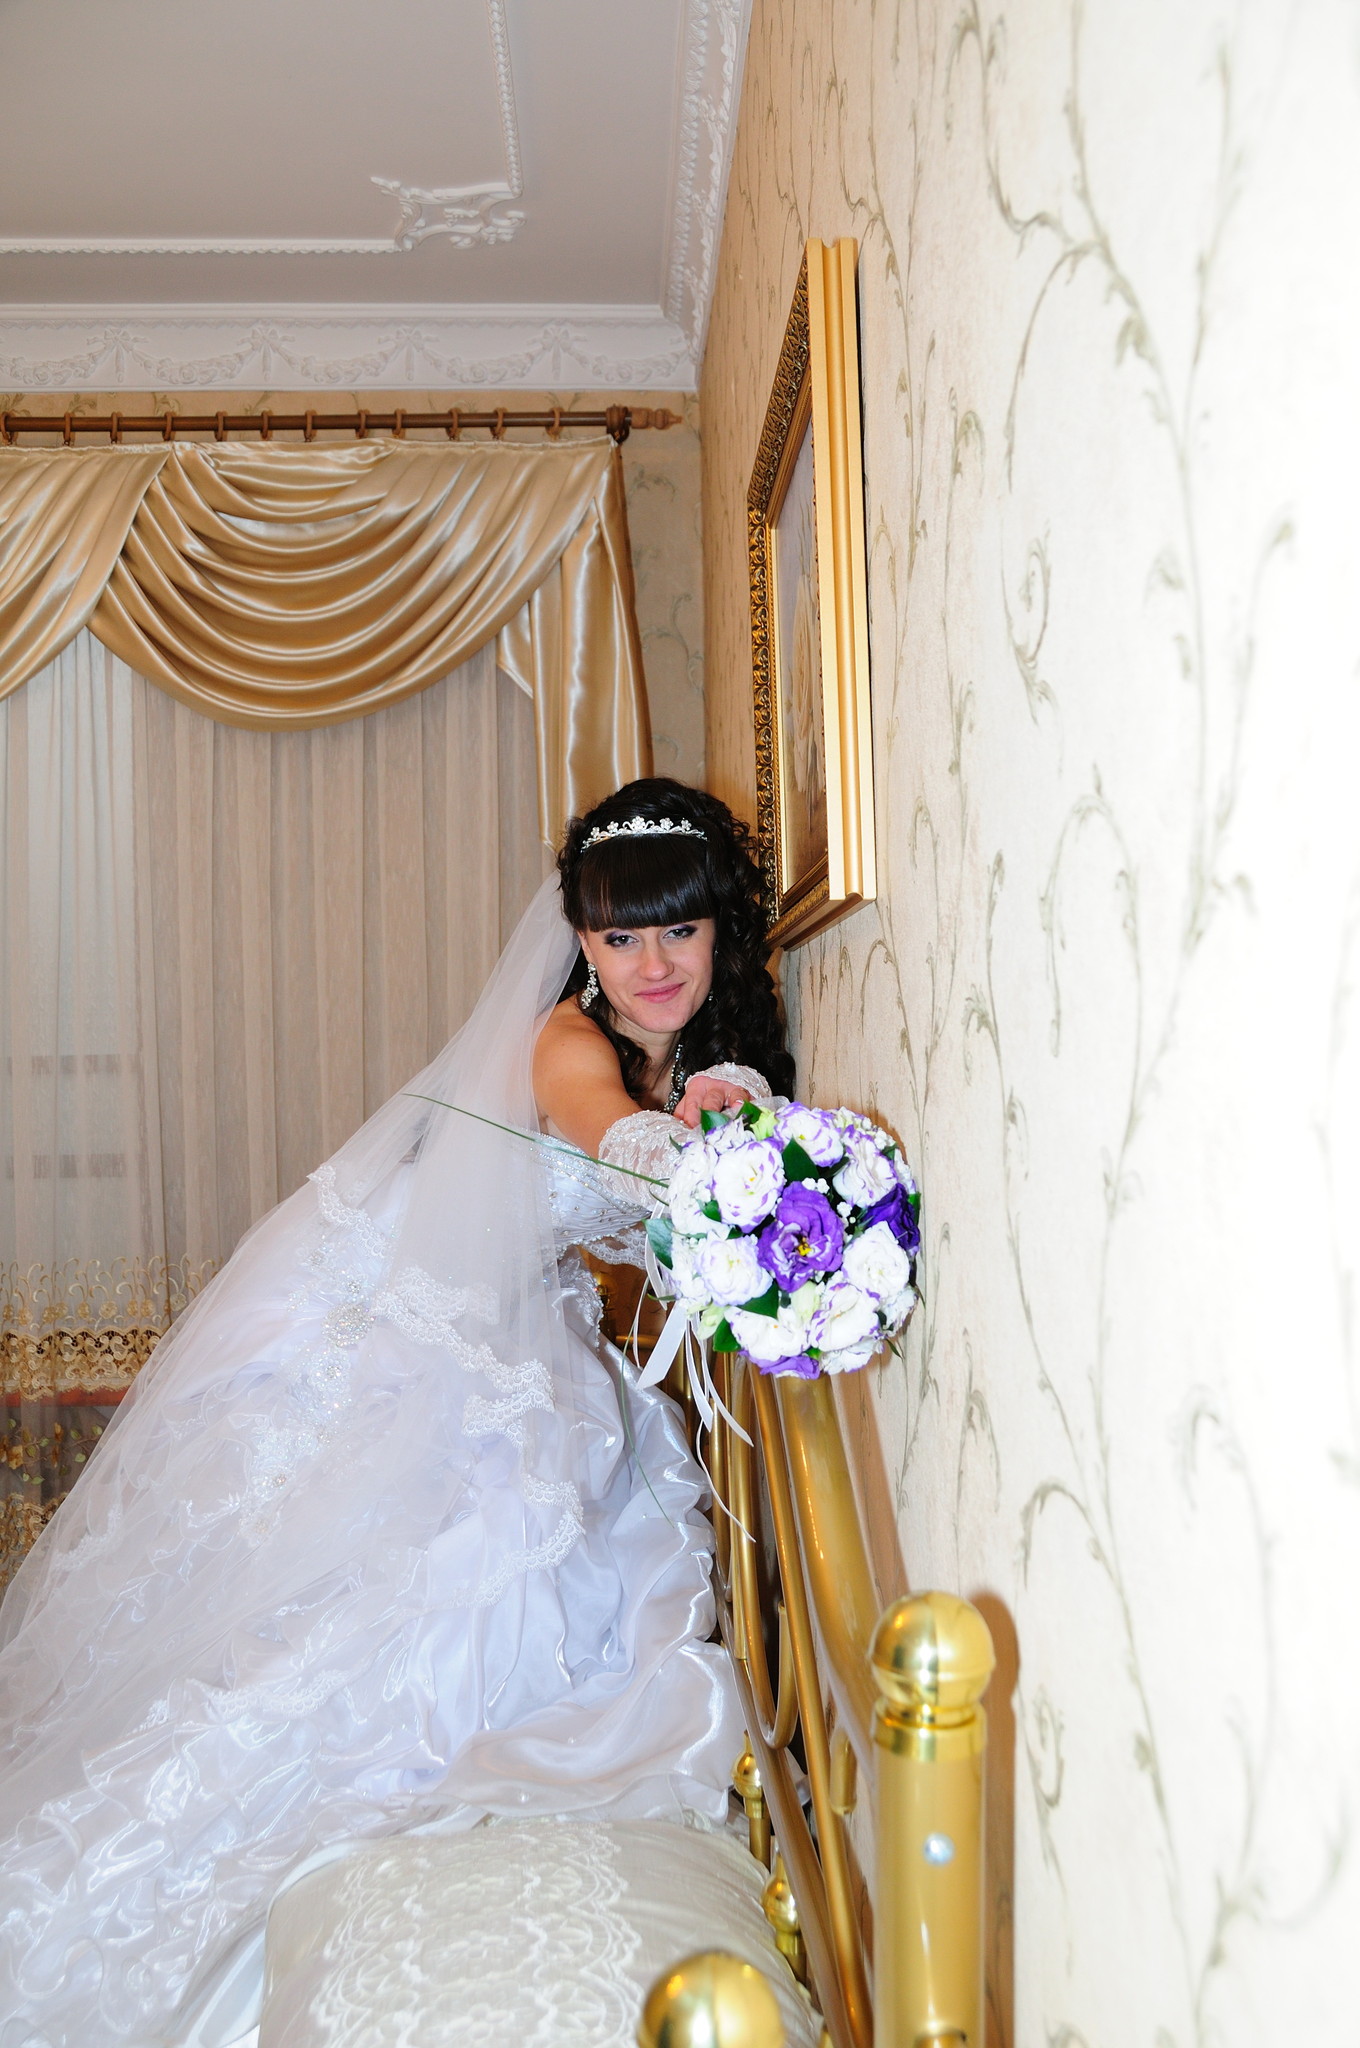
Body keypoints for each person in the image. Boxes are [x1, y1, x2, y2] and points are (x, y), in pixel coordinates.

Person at [0, 777, 794, 2048]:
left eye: (679, 932)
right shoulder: (568, 1043)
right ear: (581, 943)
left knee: (533, 1511)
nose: (652, 965)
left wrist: (729, 1120)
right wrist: (709, 1164)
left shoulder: (684, 1050)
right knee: (391, 1574)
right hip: (378, 1301)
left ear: (719, 933)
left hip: (488, 1295)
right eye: (620, 936)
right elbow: (611, 1139)